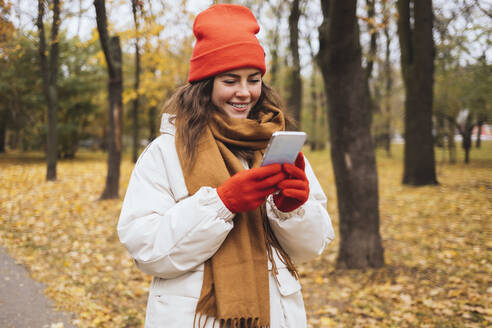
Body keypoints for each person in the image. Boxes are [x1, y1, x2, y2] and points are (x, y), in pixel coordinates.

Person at [117, 4, 334, 328]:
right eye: (230, 80)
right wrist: (221, 204)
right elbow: (146, 249)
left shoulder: (277, 143)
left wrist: (293, 210)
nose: (244, 92)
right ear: (205, 85)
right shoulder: (165, 152)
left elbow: (310, 249)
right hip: (197, 319)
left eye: (254, 79)